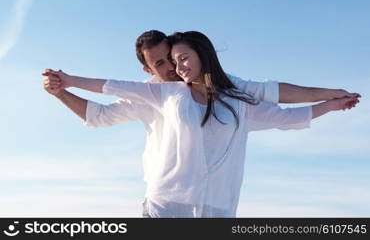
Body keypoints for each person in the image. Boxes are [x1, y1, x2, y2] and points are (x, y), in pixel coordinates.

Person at [42, 30, 360, 217]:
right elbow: (100, 110)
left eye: (177, 57)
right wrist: (63, 88)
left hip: (217, 208)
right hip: (166, 204)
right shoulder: (155, 94)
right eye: (162, 63)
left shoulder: (235, 94)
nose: (172, 68)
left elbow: (282, 103)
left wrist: (330, 99)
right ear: (148, 69)